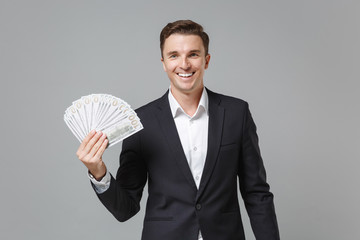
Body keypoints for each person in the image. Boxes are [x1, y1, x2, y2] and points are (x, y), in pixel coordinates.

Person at [76, 20, 280, 240]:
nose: (184, 64)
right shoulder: (140, 122)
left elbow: (257, 194)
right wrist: (99, 173)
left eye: (193, 54)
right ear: (164, 63)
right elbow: (126, 209)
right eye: (174, 55)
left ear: (206, 60)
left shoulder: (236, 113)